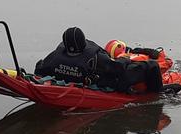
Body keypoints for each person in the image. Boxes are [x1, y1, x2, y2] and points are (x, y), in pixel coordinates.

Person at [34, 27, 162, 93]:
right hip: (106, 84)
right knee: (152, 66)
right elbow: (118, 69)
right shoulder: (94, 58)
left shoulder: (56, 56)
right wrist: (124, 59)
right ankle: (158, 93)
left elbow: (40, 68)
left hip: (74, 78)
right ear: (83, 42)